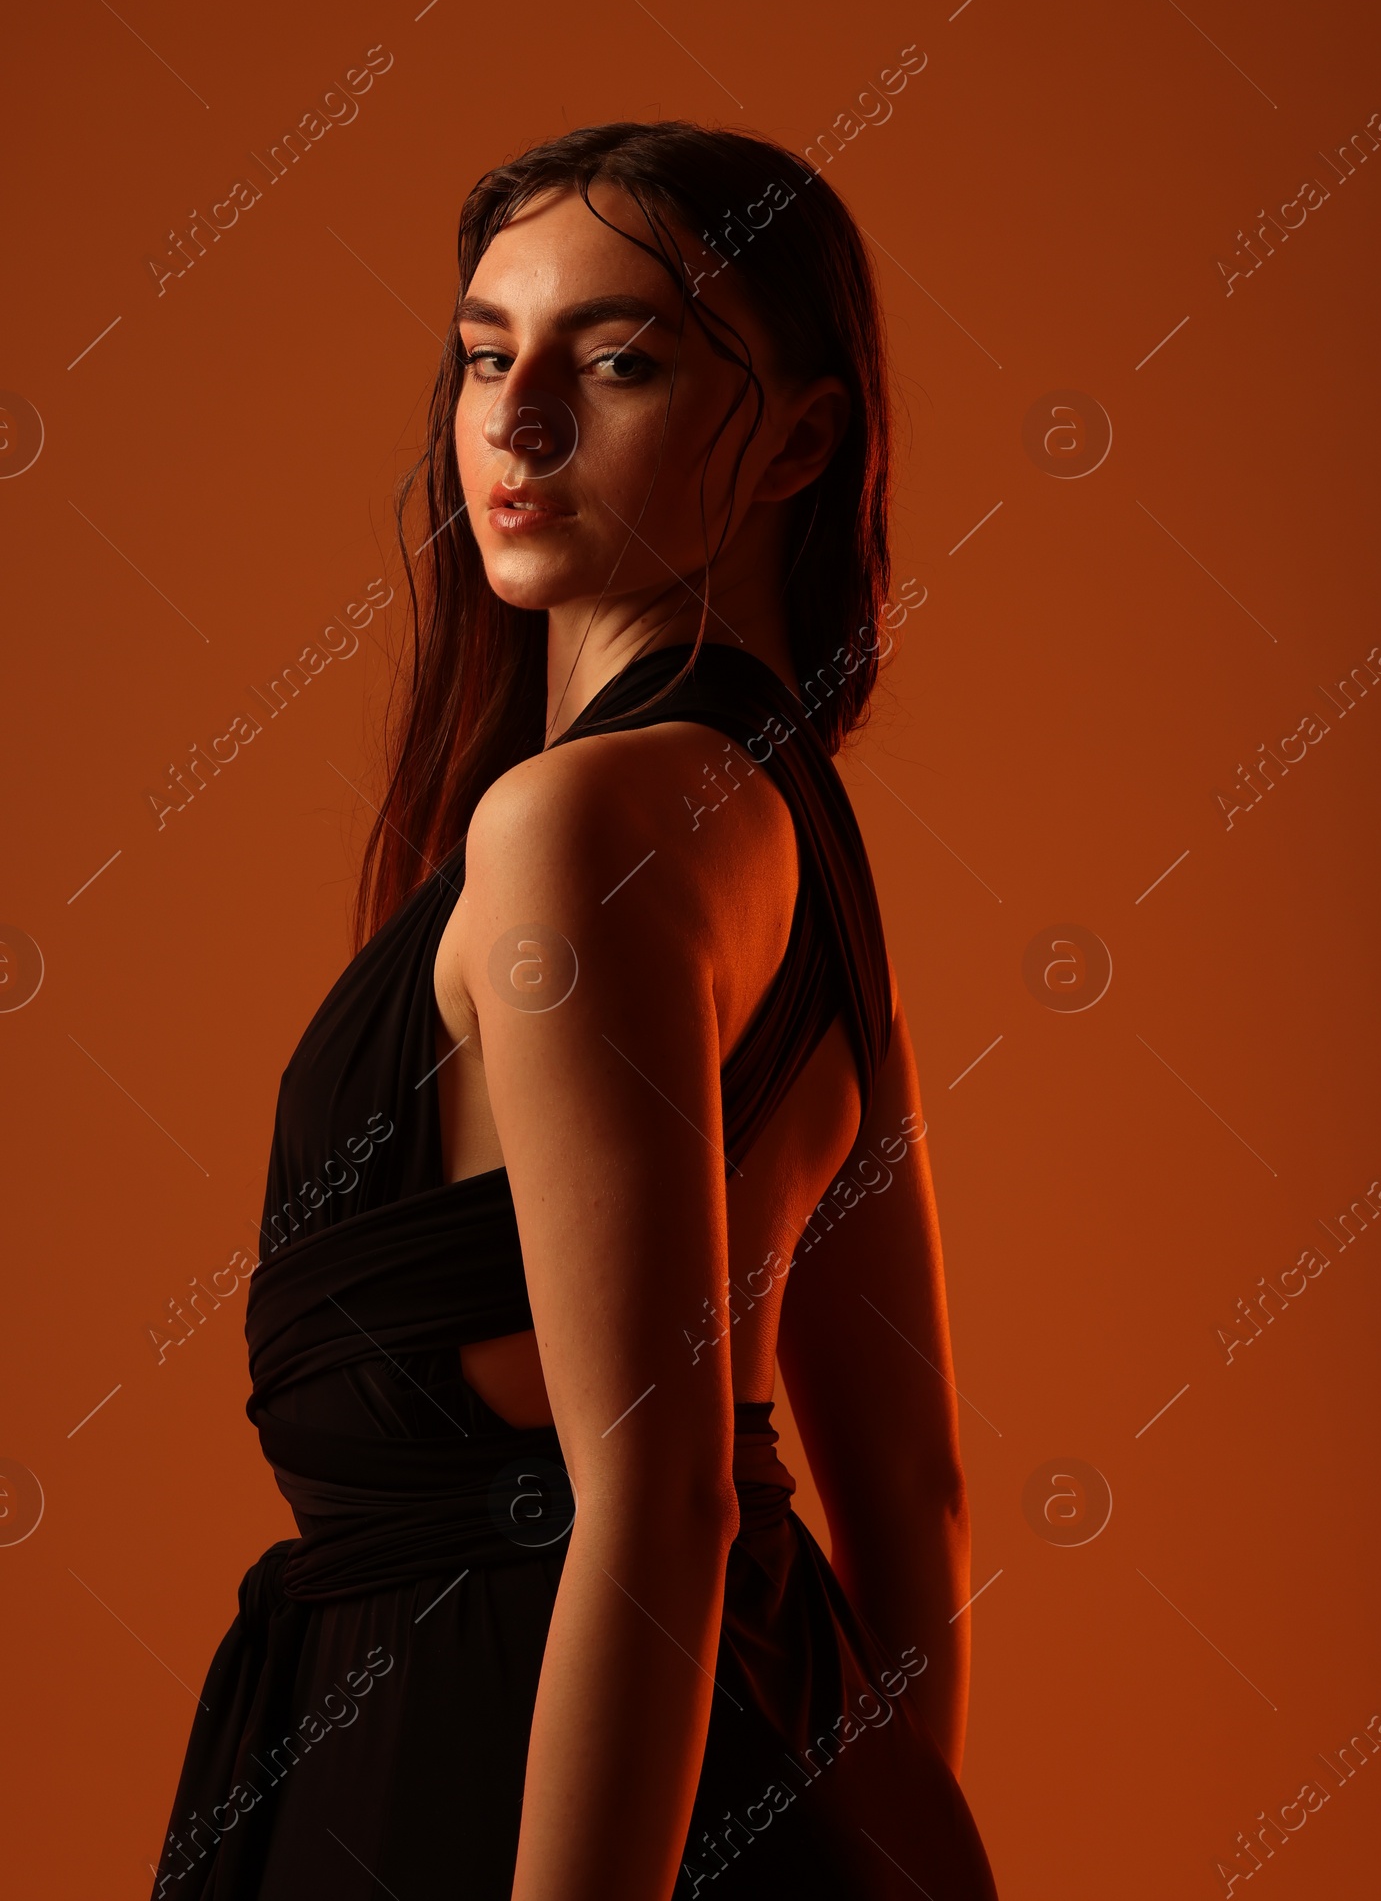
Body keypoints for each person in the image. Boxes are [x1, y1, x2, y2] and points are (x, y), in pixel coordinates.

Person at [150, 121, 999, 1900]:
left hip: (505, 1769)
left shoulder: (574, 829)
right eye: (483, 356)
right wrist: (893, 1836)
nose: (517, 420)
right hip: (710, 1748)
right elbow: (911, 1490)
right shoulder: (781, 842)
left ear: (800, 439)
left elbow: (667, 1496)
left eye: (617, 361)